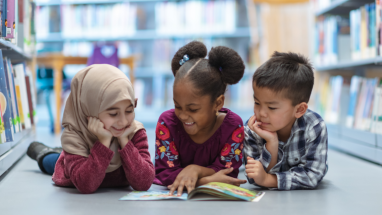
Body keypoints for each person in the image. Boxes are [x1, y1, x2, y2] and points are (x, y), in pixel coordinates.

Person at [27, 64, 154, 194]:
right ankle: (42, 151)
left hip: (89, 157)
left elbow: (144, 183)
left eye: (129, 110)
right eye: (113, 114)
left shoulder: (134, 131)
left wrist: (124, 141)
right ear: (90, 108)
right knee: (52, 161)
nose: (123, 121)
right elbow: (86, 185)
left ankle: (61, 152)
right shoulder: (75, 136)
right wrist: (104, 142)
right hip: (72, 170)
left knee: (63, 154)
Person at [154, 41, 247, 195]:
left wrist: (195, 170)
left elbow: (227, 174)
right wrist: (206, 181)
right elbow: (165, 173)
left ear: (218, 103)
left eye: (193, 109)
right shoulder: (167, 123)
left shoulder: (233, 126)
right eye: (177, 106)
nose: (183, 115)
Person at [244, 51, 328, 190]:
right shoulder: (252, 128)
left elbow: (312, 176)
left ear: (299, 110)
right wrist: (272, 143)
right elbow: (254, 177)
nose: (261, 113)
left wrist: (268, 180)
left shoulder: (314, 126)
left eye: (271, 107)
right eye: (257, 102)